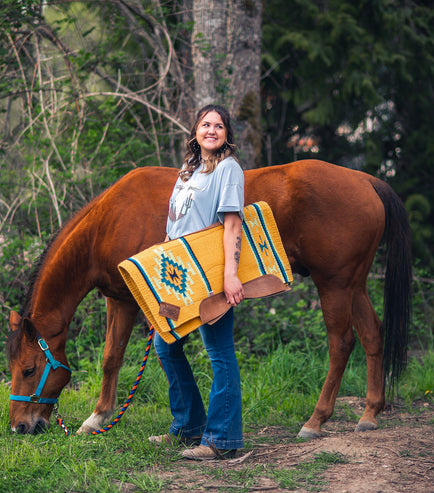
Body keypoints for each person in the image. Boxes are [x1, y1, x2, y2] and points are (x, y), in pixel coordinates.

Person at [149, 104, 245, 460]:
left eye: (219, 126)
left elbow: (232, 224)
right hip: (179, 274)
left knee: (219, 354)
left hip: (210, 275)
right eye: (206, 124)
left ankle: (222, 439)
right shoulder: (188, 170)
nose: (211, 130)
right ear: (195, 130)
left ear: (226, 135)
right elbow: (175, 223)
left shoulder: (229, 170)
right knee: (165, 345)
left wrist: (230, 276)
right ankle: (189, 425)